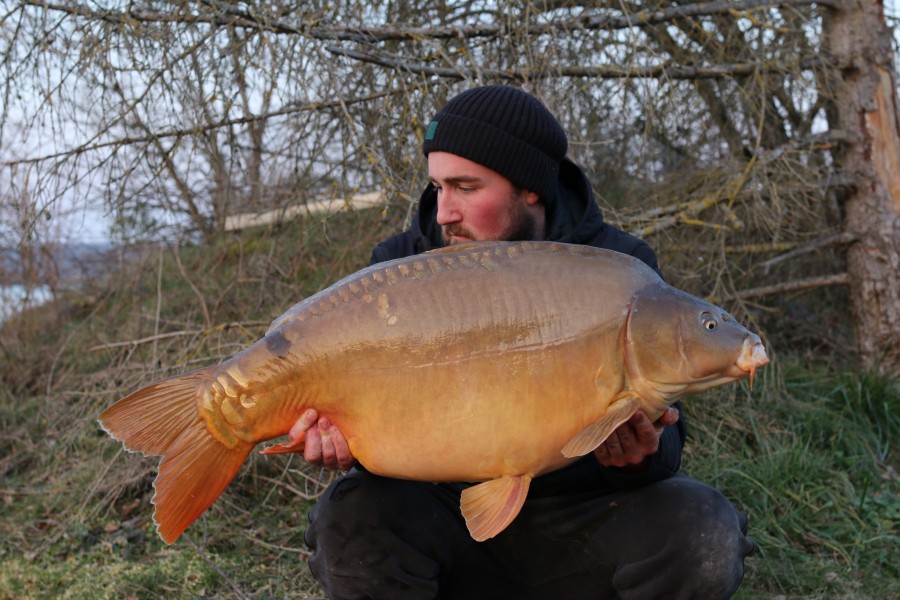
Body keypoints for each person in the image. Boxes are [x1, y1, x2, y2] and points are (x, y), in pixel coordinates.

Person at [293, 85, 754, 599]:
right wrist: (344, 443)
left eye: (466, 188)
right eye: (437, 187)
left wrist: (641, 456)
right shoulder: (400, 271)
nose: (444, 211)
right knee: (350, 514)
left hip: (579, 525)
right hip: (445, 518)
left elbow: (667, 439)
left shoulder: (618, 267)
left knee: (704, 530)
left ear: (530, 188)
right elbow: (384, 425)